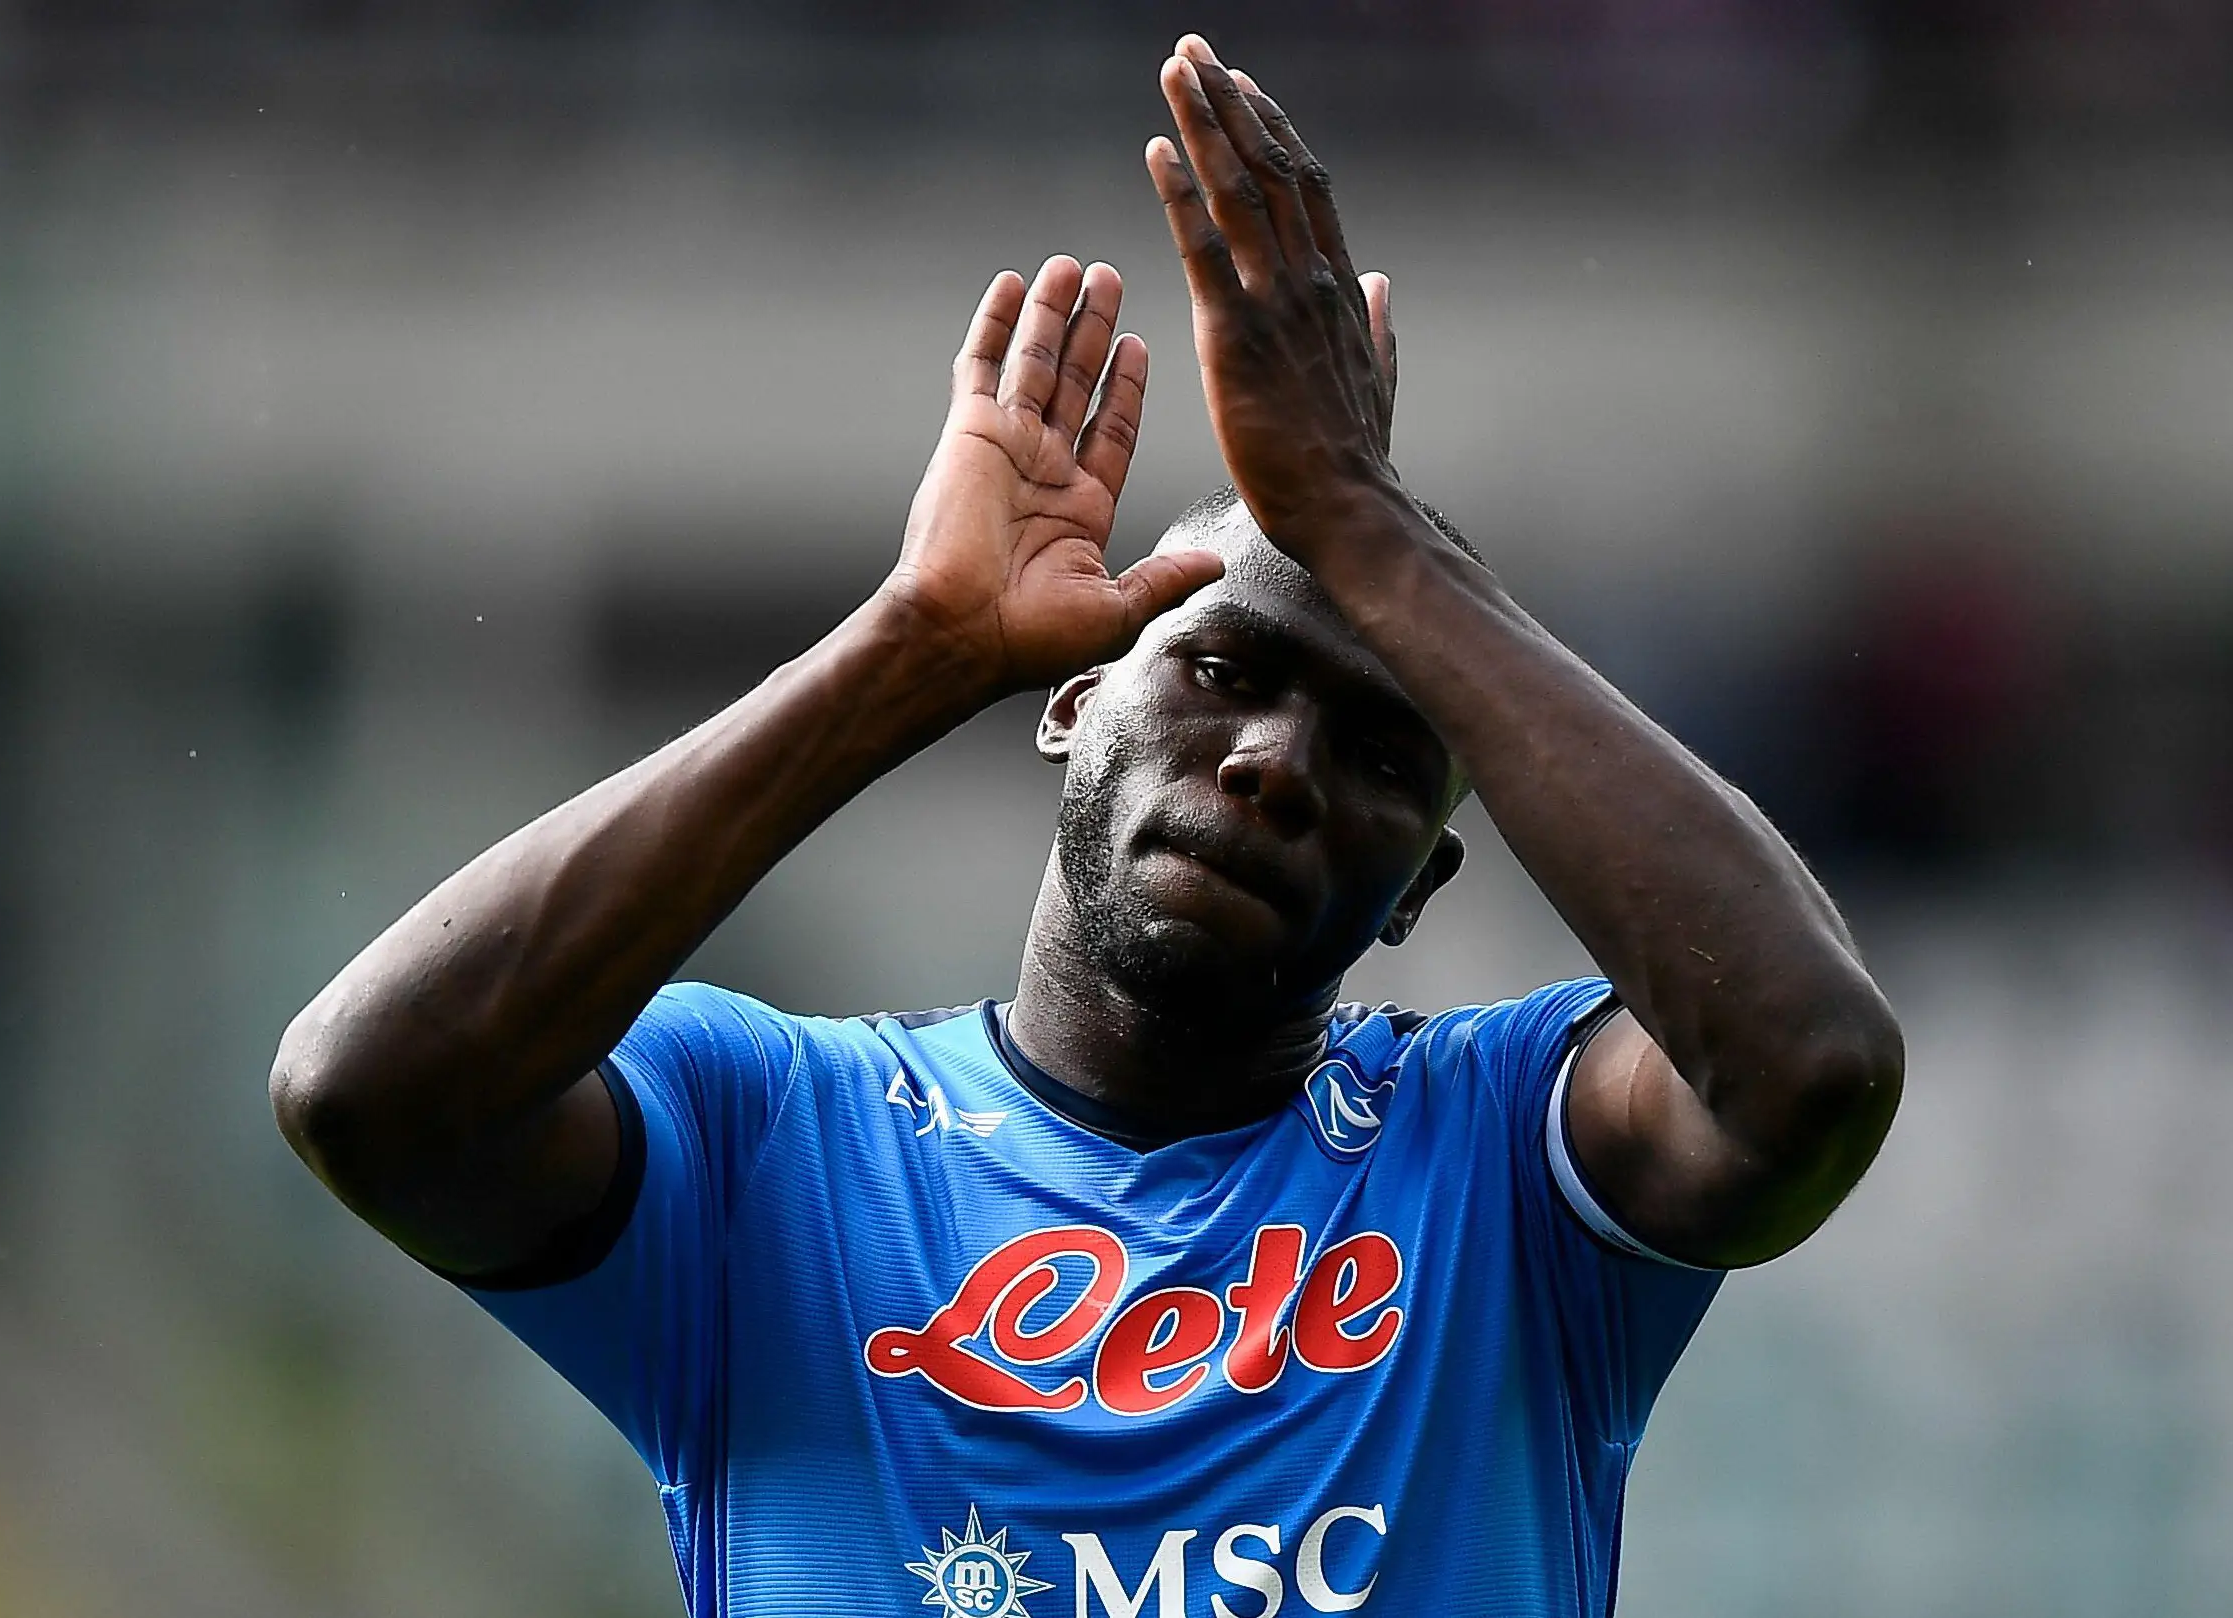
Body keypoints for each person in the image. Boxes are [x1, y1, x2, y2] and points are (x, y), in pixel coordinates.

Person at [272, 35, 1901, 1618]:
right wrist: (904, 652)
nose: (1272, 762)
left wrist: (1368, 527)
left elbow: (1807, 1068)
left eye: (1384, 757)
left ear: (1422, 887)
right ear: (1069, 705)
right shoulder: (771, 1140)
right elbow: (369, 1094)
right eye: (1217, 666)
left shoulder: (1506, 1161)